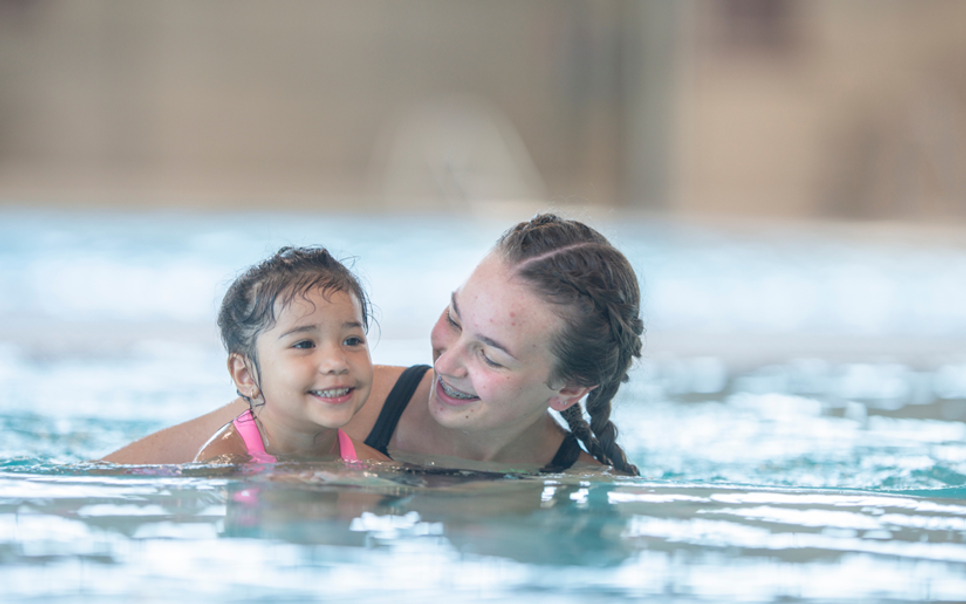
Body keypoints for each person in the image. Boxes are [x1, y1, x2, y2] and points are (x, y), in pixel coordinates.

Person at [104, 214, 641, 475]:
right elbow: (114, 480)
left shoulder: (583, 490)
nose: (446, 363)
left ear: (568, 390)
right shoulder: (336, 403)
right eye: (454, 320)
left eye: (490, 355)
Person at [193, 246, 388, 464]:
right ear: (246, 375)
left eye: (351, 340)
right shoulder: (223, 463)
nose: (337, 363)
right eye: (305, 344)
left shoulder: (373, 466)